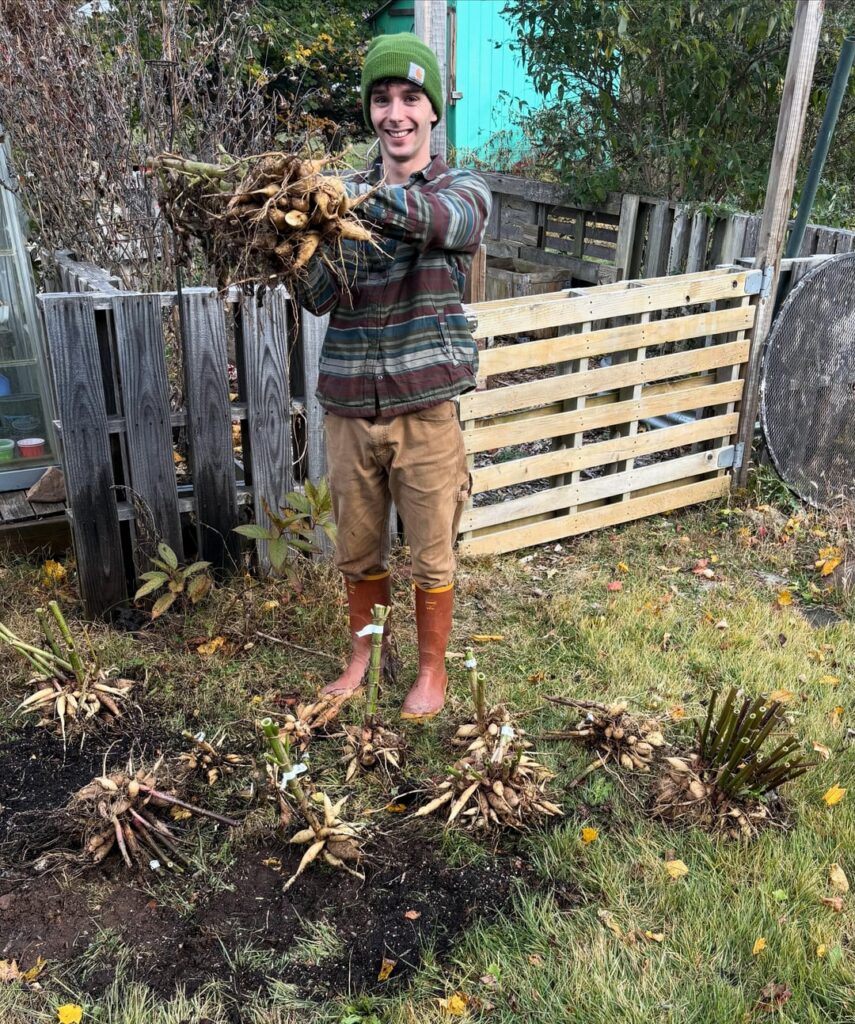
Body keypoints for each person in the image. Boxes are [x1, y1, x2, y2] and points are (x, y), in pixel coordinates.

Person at [295, 32, 491, 721]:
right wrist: (288, 240)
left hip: (426, 407)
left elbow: (447, 224)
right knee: (357, 547)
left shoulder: (460, 189)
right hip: (348, 404)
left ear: (432, 112)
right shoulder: (332, 198)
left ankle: (431, 671)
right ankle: (363, 657)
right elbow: (318, 295)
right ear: (370, 112)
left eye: (410, 98)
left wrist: (349, 203)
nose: (395, 113)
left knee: (432, 552)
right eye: (382, 100)